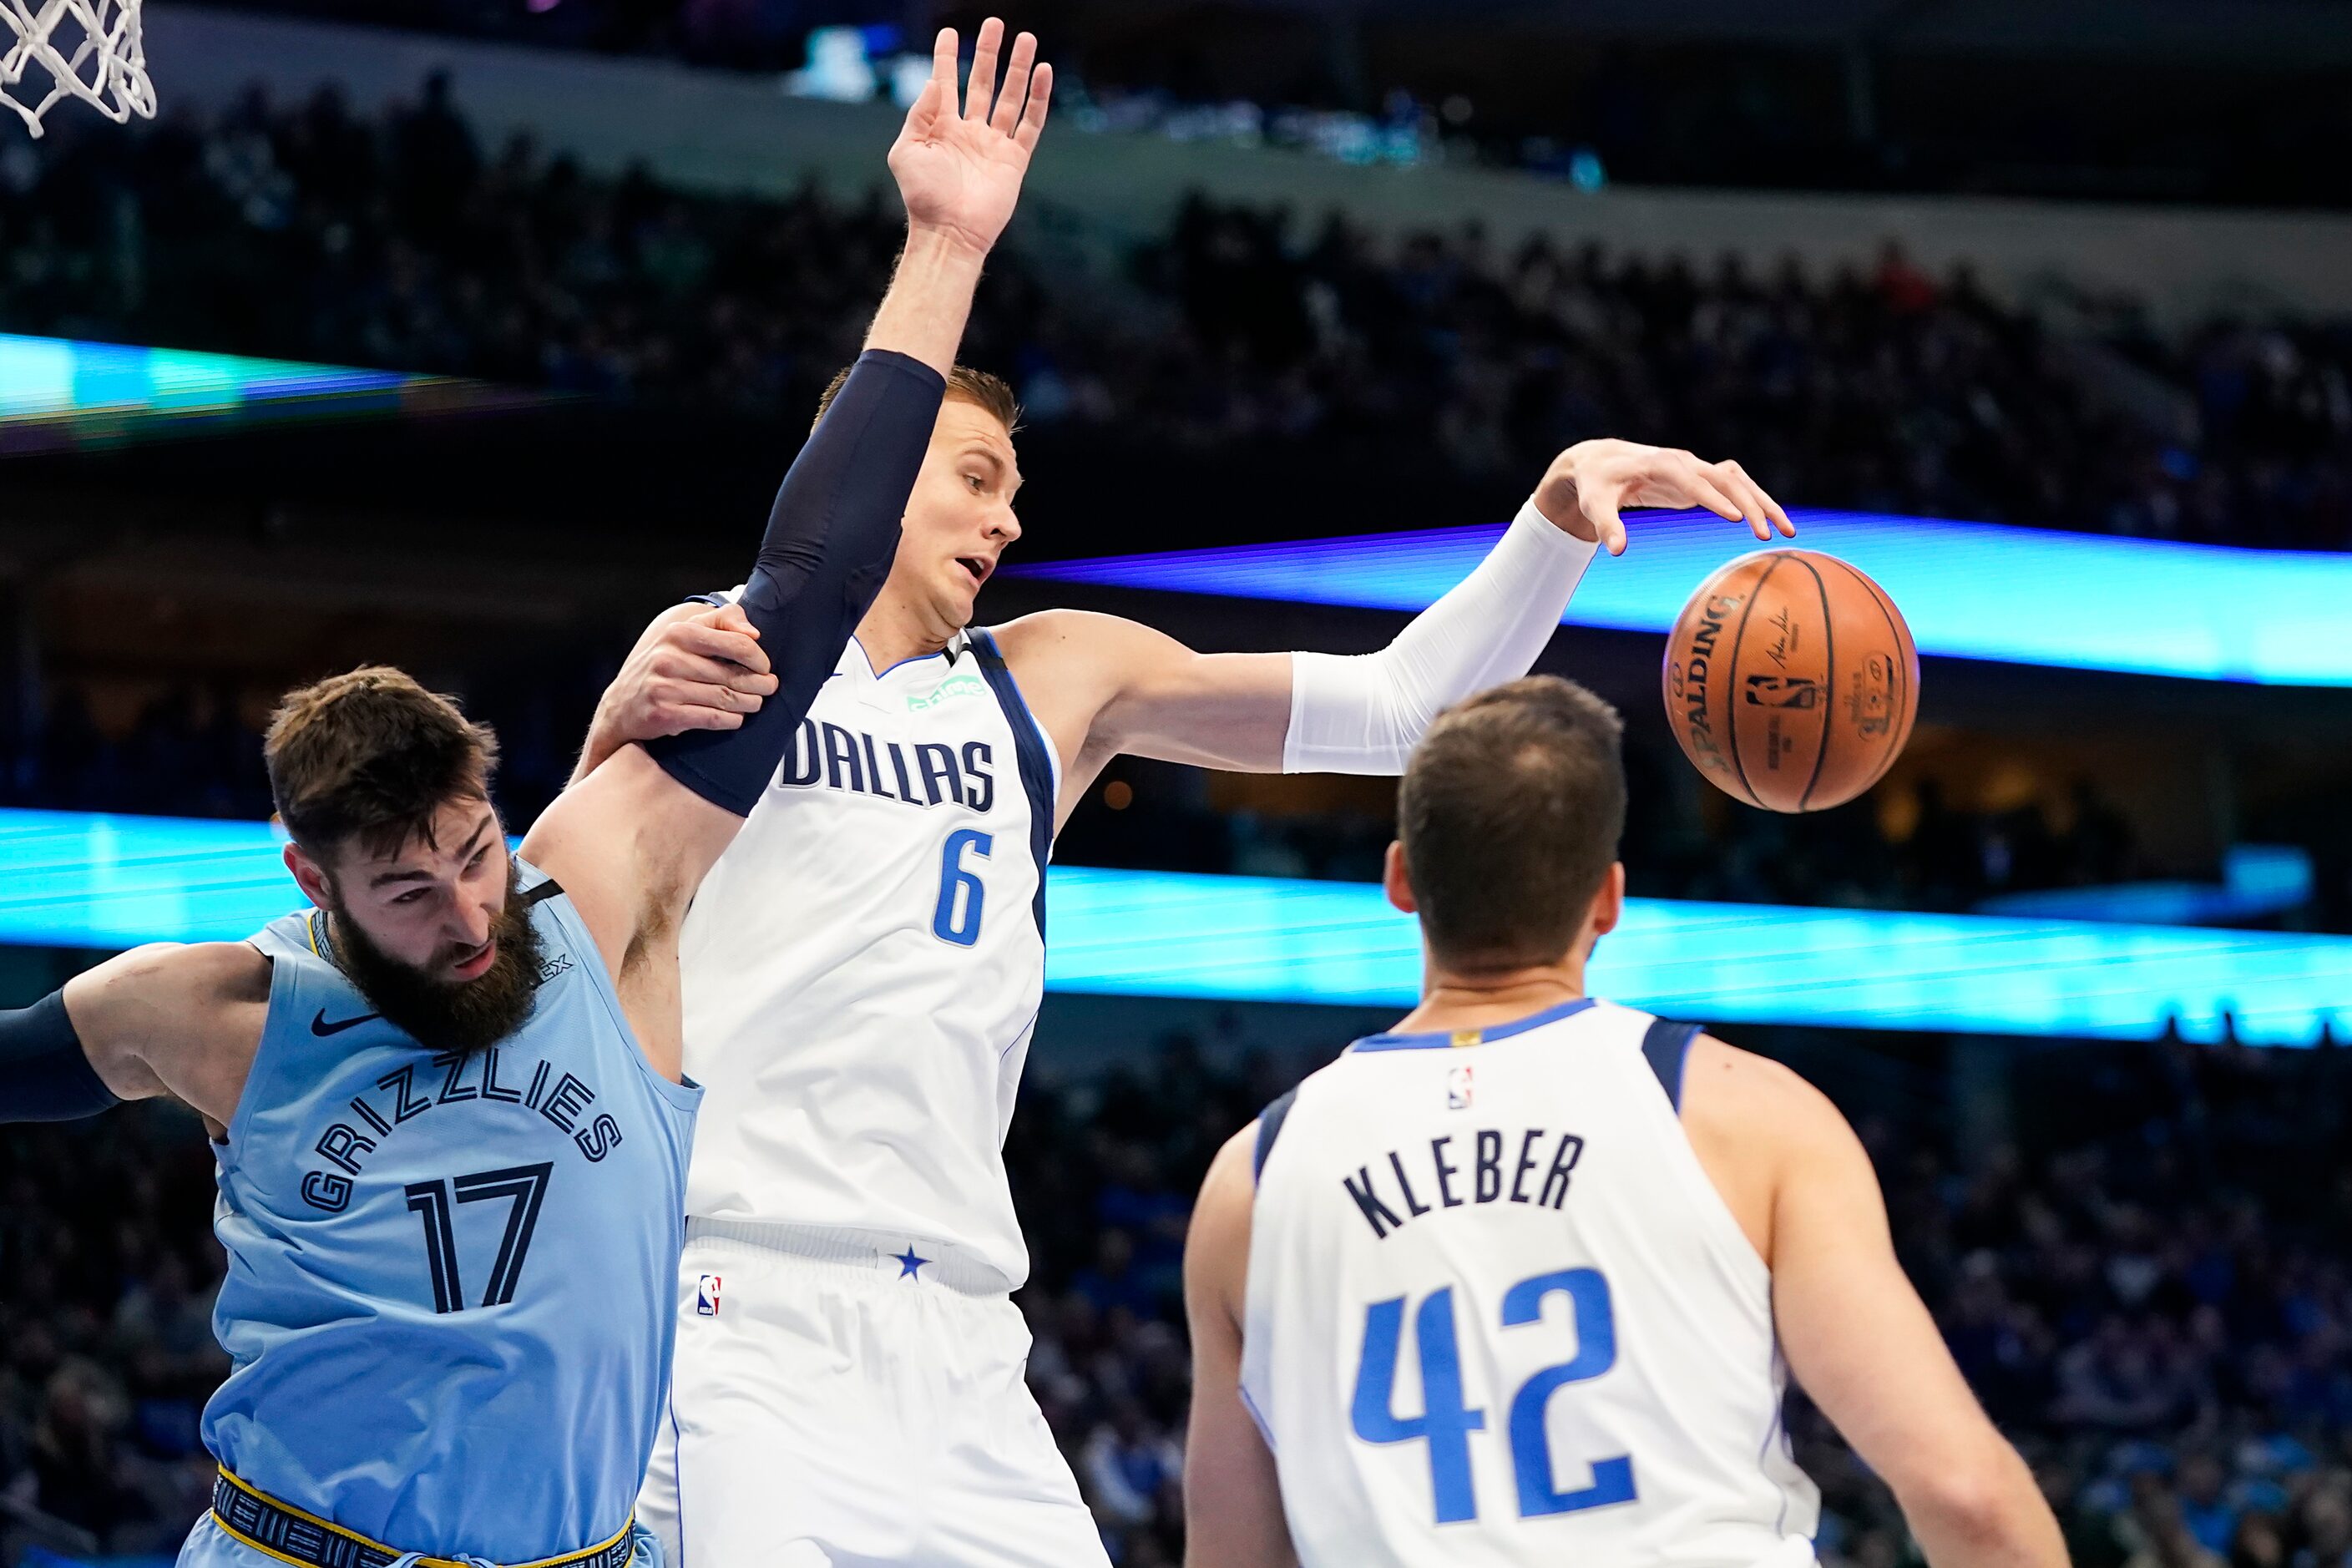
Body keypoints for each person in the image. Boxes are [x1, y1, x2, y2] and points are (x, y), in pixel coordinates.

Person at [0, 24, 1046, 1567]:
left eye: (476, 855)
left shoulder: (592, 901)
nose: (469, 915)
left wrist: (944, 244)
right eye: (409, 893)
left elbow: (812, 583)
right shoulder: (206, 1007)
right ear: (312, 883)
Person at [584, 276, 1795, 1565]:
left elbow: (1397, 708)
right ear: (873, 465)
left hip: (961, 1333)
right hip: (737, 1298)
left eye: (1012, 493)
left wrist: (1550, 519)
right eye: (976, 477)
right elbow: (562, 924)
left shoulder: (1050, 676)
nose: (1004, 519)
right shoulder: (726, 652)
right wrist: (613, 727)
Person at [1181, 675, 2067, 1568]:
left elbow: (1230, 1554)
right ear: (1608, 899)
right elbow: (1967, 1498)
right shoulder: (1746, 1116)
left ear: (1401, 880)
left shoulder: (1251, 1179)